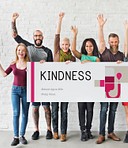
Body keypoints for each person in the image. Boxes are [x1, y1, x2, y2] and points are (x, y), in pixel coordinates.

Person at [11, 12, 53, 140]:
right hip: (32, 84)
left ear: (43, 37)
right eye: (36, 35)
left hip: (45, 84)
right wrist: (13, 21)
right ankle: (36, 130)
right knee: (35, 109)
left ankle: (49, 129)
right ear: (33, 37)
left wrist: (45, 64)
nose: (38, 37)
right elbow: (15, 35)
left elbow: (52, 68)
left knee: (46, 108)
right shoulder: (28, 47)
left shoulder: (48, 51)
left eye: (40, 35)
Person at [0, 44, 30, 146]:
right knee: (16, 113)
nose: (21, 52)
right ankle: (16, 137)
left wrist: (38, 66)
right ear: (16, 51)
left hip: (26, 90)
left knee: (25, 113)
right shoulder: (13, 64)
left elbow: (36, 76)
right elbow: (4, 74)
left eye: (23, 50)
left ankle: (22, 135)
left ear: (25, 52)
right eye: (19, 50)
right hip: (15, 91)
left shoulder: (30, 64)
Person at [96, 14, 123, 144]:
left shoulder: (121, 55)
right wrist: (101, 27)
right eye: (111, 41)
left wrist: (121, 64)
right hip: (105, 86)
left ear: (118, 42)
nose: (113, 43)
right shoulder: (104, 51)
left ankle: (110, 132)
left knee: (113, 110)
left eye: (115, 41)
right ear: (109, 42)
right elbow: (100, 41)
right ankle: (101, 134)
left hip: (117, 86)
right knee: (104, 109)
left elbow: (125, 71)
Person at [71, 26, 100, 141]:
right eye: (87, 46)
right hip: (81, 88)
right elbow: (73, 50)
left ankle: (88, 130)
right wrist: (75, 34)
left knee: (90, 109)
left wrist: (87, 62)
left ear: (94, 47)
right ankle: (82, 130)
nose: (88, 48)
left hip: (91, 88)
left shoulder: (96, 58)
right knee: (81, 109)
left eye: (91, 46)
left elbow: (98, 67)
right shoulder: (81, 56)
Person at [52, 12, 76, 142]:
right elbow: (57, 35)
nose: (65, 46)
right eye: (63, 44)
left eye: (67, 45)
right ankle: (55, 130)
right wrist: (60, 20)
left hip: (66, 89)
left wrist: (71, 64)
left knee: (64, 111)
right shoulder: (56, 52)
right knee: (54, 110)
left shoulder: (72, 57)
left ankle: (63, 133)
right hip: (55, 87)